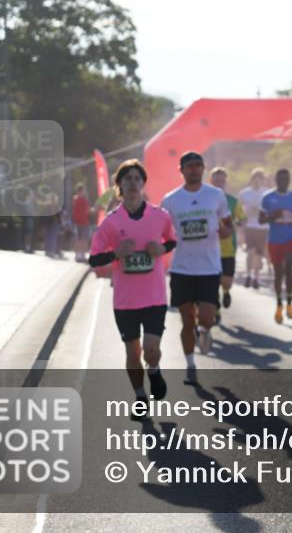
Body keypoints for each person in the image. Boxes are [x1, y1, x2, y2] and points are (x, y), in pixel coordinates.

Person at [89, 160, 176, 419]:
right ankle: (140, 396)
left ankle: (155, 369)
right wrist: (116, 253)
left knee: (150, 348)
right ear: (119, 186)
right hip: (125, 301)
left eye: (137, 178)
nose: (133, 183)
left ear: (143, 184)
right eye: (127, 179)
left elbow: (171, 241)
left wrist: (161, 250)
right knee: (132, 352)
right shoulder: (111, 223)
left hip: (154, 297)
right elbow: (94, 259)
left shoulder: (160, 215)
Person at [161, 152, 232, 385]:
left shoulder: (216, 195)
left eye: (198, 166)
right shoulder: (170, 200)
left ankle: (206, 332)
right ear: (181, 171)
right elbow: (162, 232)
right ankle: (190, 364)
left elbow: (228, 225)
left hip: (209, 268)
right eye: (189, 167)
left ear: (203, 169)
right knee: (187, 322)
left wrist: (225, 232)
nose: (194, 170)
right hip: (182, 268)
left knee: (207, 318)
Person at [260, 169, 292, 324]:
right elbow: (261, 220)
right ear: (275, 180)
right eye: (281, 179)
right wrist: (272, 216)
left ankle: (289, 304)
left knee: (288, 269)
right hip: (275, 239)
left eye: (286, 179)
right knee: (278, 273)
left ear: (289, 180)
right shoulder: (268, 198)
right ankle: (279, 305)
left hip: (291, 237)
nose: (284, 182)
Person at [209, 167, 246, 317]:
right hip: (210, 247)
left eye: (222, 181)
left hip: (228, 247)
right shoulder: (205, 200)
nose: (219, 183)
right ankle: (216, 307)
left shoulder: (232, 201)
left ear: (226, 182)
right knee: (212, 280)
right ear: (211, 182)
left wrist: (234, 225)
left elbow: (243, 218)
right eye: (216, 181)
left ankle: (226, 292)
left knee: (227, 281)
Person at [239, 168, 270, 289]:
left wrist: (260, 211)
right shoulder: (244, 193)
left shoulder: (267, 193)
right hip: (250, 226)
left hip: (263, 227)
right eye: (255, 179)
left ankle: (256, 277)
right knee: (250, 252)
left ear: (263, 180)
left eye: (260, 179)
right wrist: (244, 214)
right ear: (251, 180)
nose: (257, 182)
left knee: (258, 253)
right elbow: (238, 208)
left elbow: (270, 210)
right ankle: (248, 275)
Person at [72, 183, 92, 262]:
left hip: (76, 221)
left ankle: (78, 255)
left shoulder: (74, 198)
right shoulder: (84, 200)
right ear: (82, 191)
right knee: (84, 239)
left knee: (78, 239)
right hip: (84, 222)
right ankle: (82, 255)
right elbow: (88, 211)